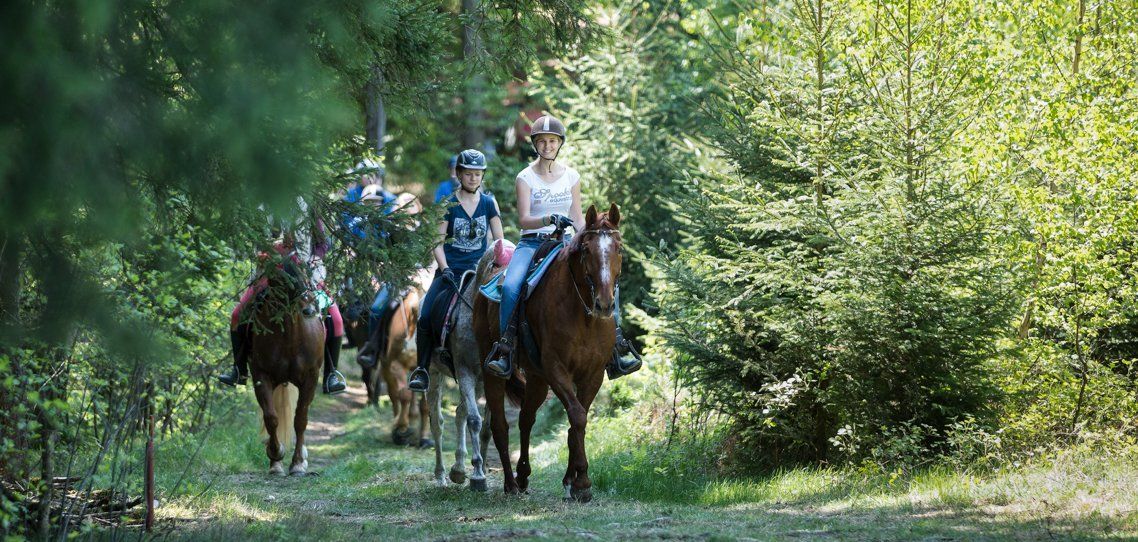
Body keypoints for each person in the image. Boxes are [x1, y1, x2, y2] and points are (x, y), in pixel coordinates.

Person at [484, 115, 643, 380]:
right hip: (533, 242)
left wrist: (585, 236)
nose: (547, 146)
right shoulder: (524, 177)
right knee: (511, 285)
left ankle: (616, 346)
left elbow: (579, 217)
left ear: (559, 144)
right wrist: (548, 219)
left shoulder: (571, 176)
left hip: (566, 243)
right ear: (535, 144)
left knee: (605, 279)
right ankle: (506, 348)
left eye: (552, 141)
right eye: (542, 141)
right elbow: (523, 218)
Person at [219, 197, 349, 394]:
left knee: (337, 319)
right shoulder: (262, 206)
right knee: (238, 315)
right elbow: (257, 242)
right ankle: (239, 369)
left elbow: (322, 244)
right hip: (271, 272)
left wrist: (314, 258)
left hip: (305, 273)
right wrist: (262, 253)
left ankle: (332, 374)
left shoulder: (309, 205)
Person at [407, 149, 503, 392]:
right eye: (468, 173)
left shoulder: (489, 203)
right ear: (459, 174)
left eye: (477, 174)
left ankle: (509, 359)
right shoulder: (448, 204)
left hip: (480, 272)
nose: (473, 178)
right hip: (451, 272)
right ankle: (422, 369)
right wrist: (445, 268)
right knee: (426, 314)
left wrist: (500, 266)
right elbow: (437, 243)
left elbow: (500, 241)